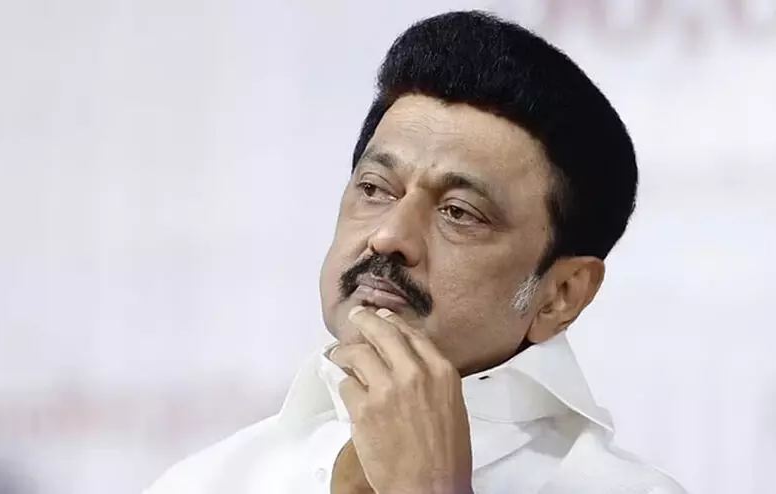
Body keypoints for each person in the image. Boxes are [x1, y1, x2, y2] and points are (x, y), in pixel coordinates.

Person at [145, 10, 685, 494]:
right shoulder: (206, 481)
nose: (389, 237)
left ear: (560, 295)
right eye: (375, 189)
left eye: (459, 212)